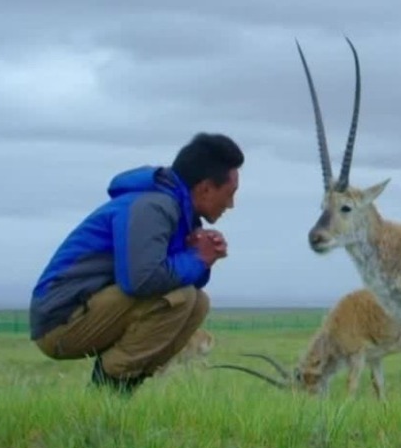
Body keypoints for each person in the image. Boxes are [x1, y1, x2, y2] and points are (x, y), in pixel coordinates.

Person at [28, 132, 243, 395]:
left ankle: (122, 393)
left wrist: (200, 256)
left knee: (198, 302)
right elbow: (140, 280)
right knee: (183, 299)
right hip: (60, 321)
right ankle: (105, 392)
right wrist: (197, 258)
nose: (231, 204)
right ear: (206, 188)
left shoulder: (177, 211)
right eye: (230, 193)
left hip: (86, 310)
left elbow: (165, 276)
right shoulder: (153, 208)